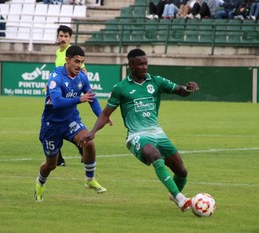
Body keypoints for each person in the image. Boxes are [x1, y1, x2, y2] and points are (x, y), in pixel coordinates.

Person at [79, 48, 200, 212]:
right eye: (140, 64)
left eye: (146, 63)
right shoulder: (121, 88)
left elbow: (180, 91)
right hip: (136, 136)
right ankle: (180, 199)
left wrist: (188, 89)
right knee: (155, 155)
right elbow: (105, 114)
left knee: (182, 172)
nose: (144, 67)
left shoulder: (156, 81)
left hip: (157, 132)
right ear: (130, 65)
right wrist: (92, 132)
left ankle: (174, 193)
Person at [34, 45, 111, 202]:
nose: (79, 65)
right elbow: (56, 102)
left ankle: (90, 179)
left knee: (88, 142)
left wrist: (103, 115)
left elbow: (91, 98)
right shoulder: (56, 78)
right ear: (67, 60)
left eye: (82, 62)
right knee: (51, 165)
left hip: (70, 120)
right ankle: (40, 183)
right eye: (76, 61)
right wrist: (78, 99)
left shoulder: (81, 77)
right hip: (52, 126)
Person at [55, 25, 88, 166]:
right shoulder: (58, 53)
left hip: (68, 97)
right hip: (59, 97)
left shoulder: (72, 53)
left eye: (65, 36)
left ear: (70, 38)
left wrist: (84, 87)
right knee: (59, 126)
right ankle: (63, 157)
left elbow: (83, 72)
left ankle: (60, 158)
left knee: (57, 127)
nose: (63, 39)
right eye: (61, 35)